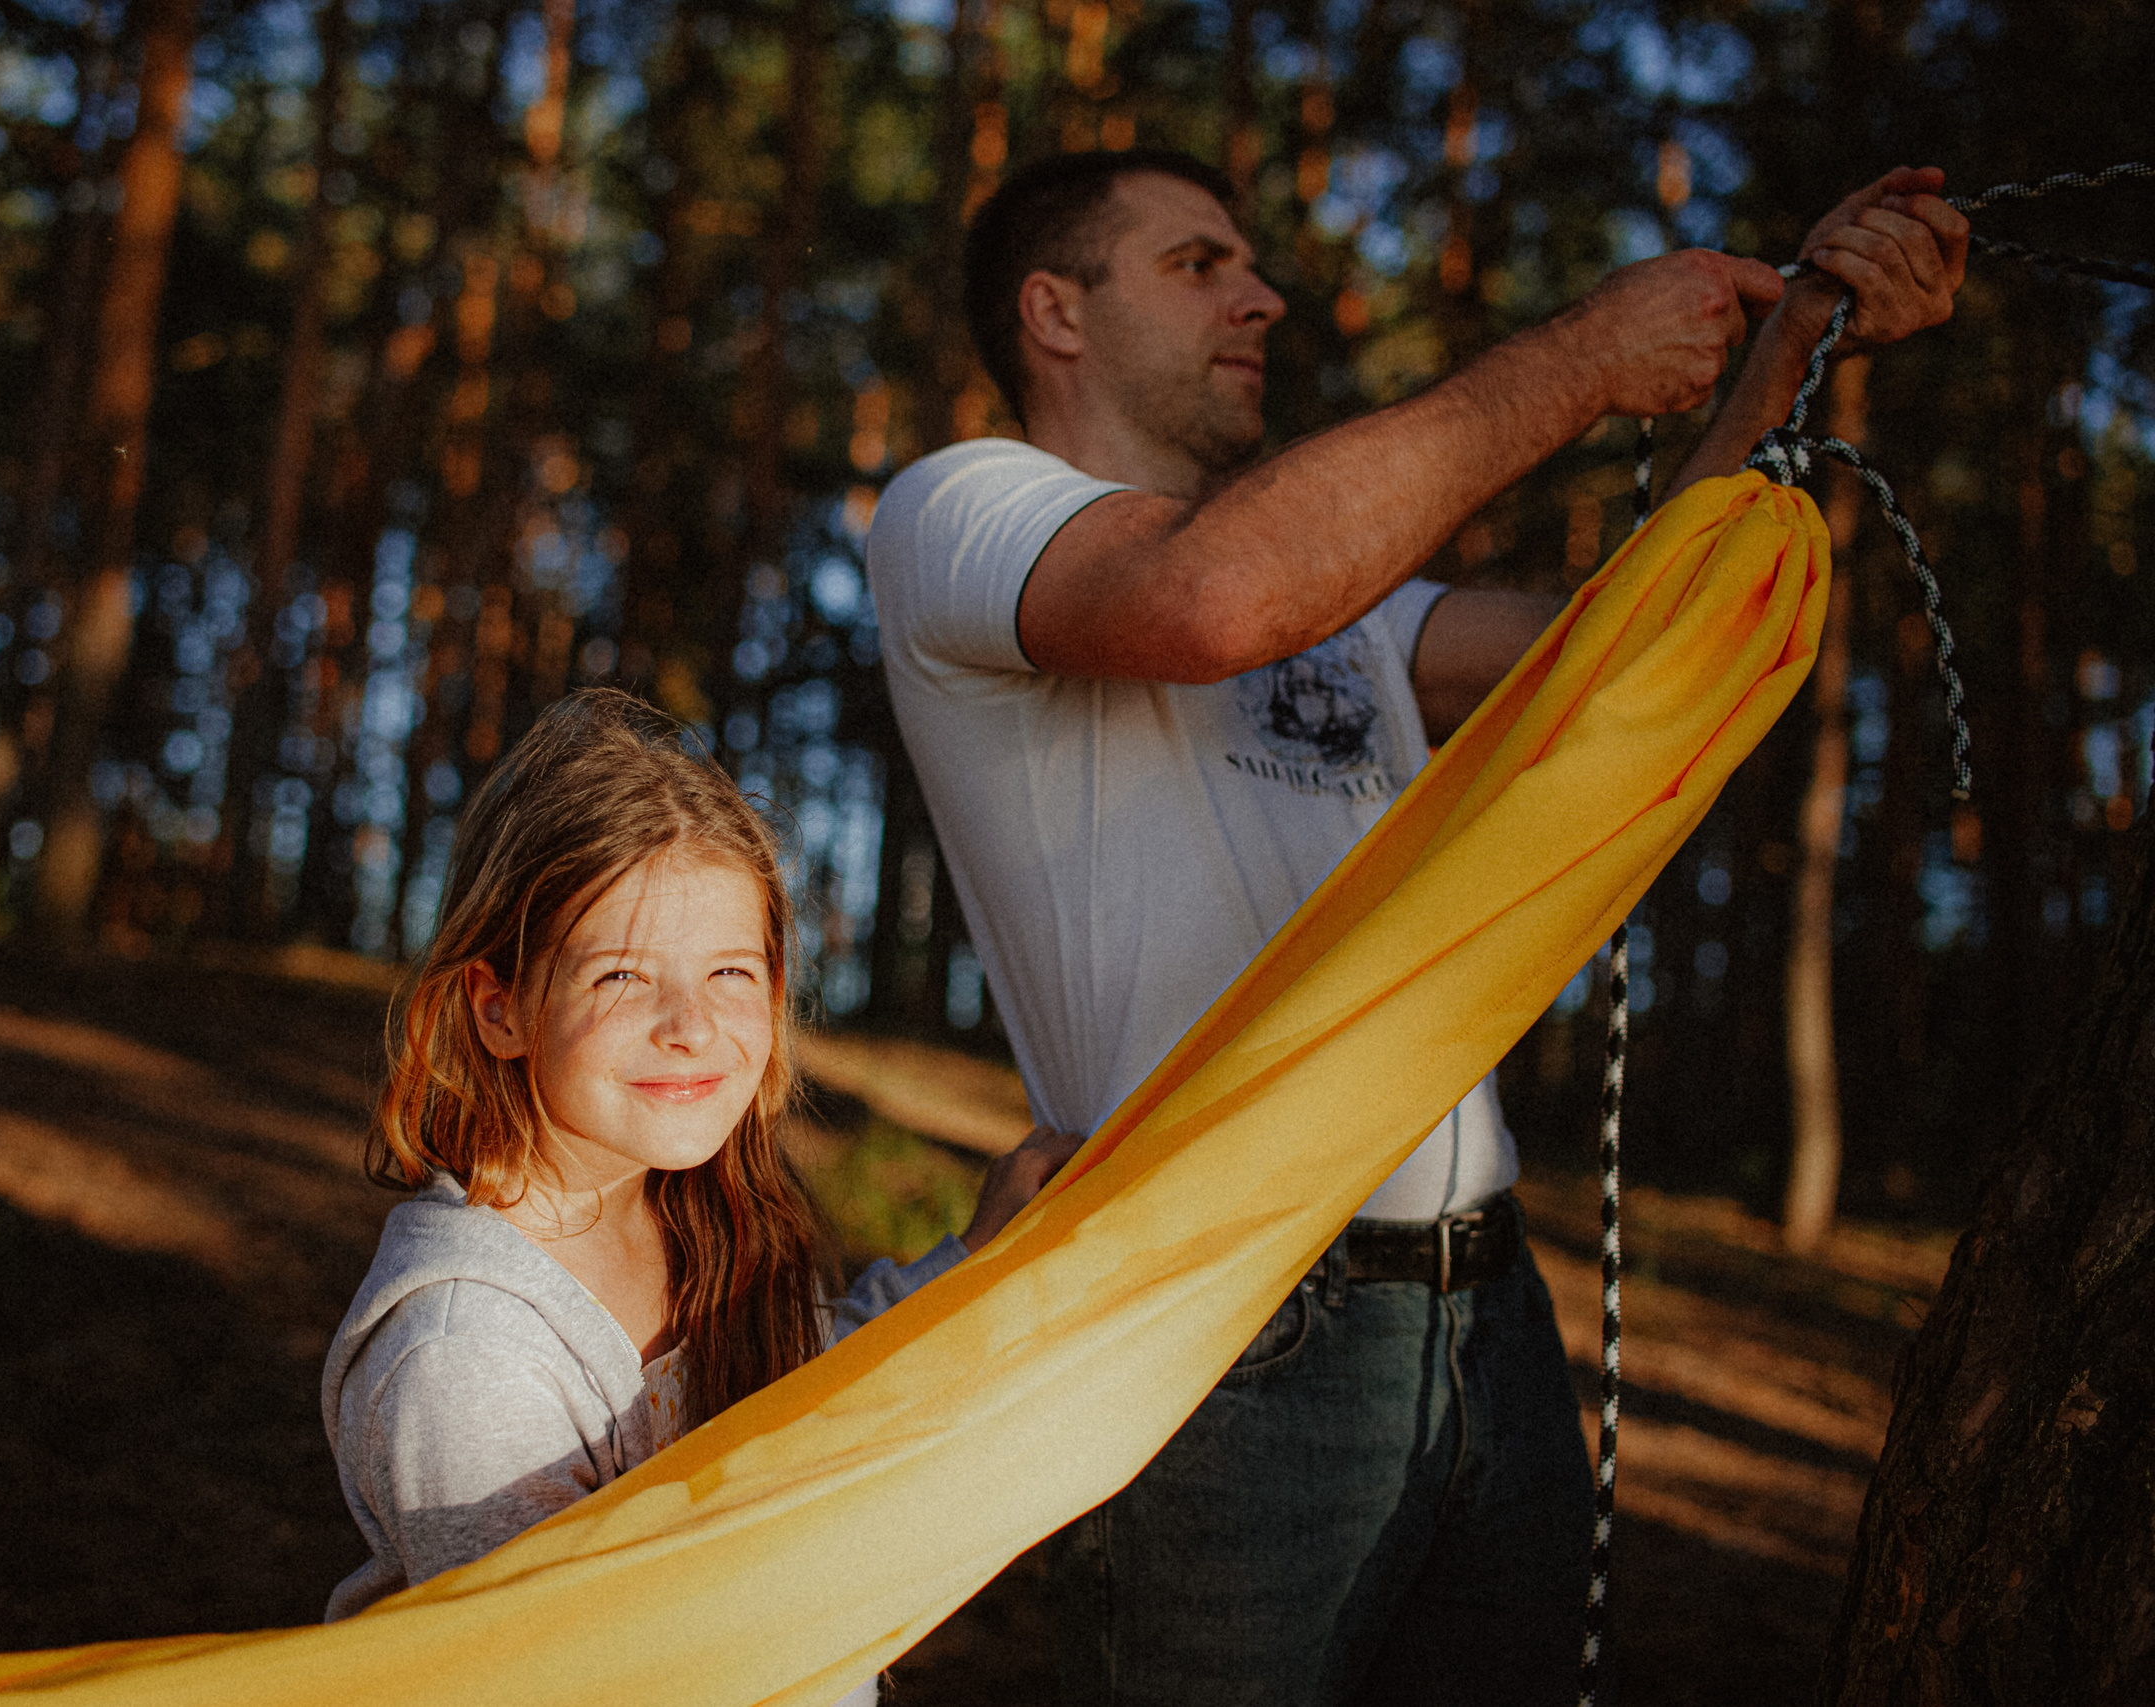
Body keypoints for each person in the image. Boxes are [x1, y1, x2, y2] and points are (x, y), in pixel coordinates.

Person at [866, 150, 1965, 1704]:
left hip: (1489, 1312)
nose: (1264, 297)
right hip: (1220, 1329)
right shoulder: (960, 505)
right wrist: (1584, 360)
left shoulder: (1350, 602)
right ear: (1056, 312)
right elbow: (1208, 600)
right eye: (1197, 263)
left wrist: (1793, 345)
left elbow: (1627, 650)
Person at [318, 689, 1081, 1657]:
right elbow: (569, 1668)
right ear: (499, 1008)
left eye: (730, 972)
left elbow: (808, 1388)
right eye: (621, 976)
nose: (691, 1026)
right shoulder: (471, 1362)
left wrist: (972, 1257)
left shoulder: (702, 1212)